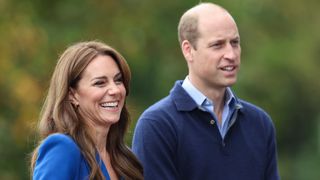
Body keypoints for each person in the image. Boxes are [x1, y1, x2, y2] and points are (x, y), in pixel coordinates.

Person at [132, 2, 279, 180]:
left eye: (235, 43)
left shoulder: (260, 124)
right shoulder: (157, 125)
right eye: (217, 45)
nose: (231, 55)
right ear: (188, 50)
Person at [30, 41, 143, 180]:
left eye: (118, 80)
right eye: (100, 83)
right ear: (72, 95)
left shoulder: (125, 160)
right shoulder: (63, 149)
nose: (115, 90)